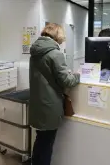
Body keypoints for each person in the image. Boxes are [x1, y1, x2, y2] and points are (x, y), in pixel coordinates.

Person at [29, 23, 80, 165]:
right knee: (47, 145)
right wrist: (78, 76)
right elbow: (66, 81)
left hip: (37, 104)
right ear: (58, 35)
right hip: (49, 105)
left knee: (40, 141)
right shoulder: (55, 53)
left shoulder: (34, 52)